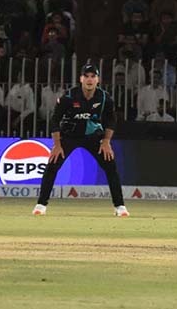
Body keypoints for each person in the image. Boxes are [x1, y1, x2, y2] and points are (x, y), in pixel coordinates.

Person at [33, 64, 128, 217]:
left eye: (93, 76)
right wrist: (57, 145)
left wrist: (106, 141)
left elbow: (111, 120)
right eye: (86, 76)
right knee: (52, 166)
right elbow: (55, 120)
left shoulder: (104, 97)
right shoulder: (69, 97)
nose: (89, 80)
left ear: (98, 79)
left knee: (111, 167)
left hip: (94, 137)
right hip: (69, 136)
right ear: (81, 79)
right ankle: (41, 205)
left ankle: (120, 207)